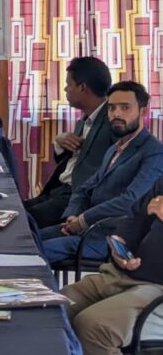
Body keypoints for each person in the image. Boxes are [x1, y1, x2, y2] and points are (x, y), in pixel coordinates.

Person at [40, 81, 163, 264]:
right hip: (88, 229)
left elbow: (130, 201)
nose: (116, 114)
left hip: (114, 238)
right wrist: (73, 215)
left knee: (36, 252)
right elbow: (84, 188)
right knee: (28, 238)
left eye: (125, 108)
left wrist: (83, 220)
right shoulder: (114, 149)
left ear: (143, 111)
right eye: (112, 108)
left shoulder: (154, 152)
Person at [61, 189, 163, 355]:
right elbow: (137, 215)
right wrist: (121, 242)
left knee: (94, 327)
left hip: (158, 288)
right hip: (129, 272)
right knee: (60, 304)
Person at [26, 57, 115, 228]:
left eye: (68, 84)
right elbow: (74, 161)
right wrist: (60, 143)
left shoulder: (112, 120)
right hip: (59, 190)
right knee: (13, 208)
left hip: (77, 198)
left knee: (21, 220)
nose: (65, 89)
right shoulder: (85, 119)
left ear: (82, 87)